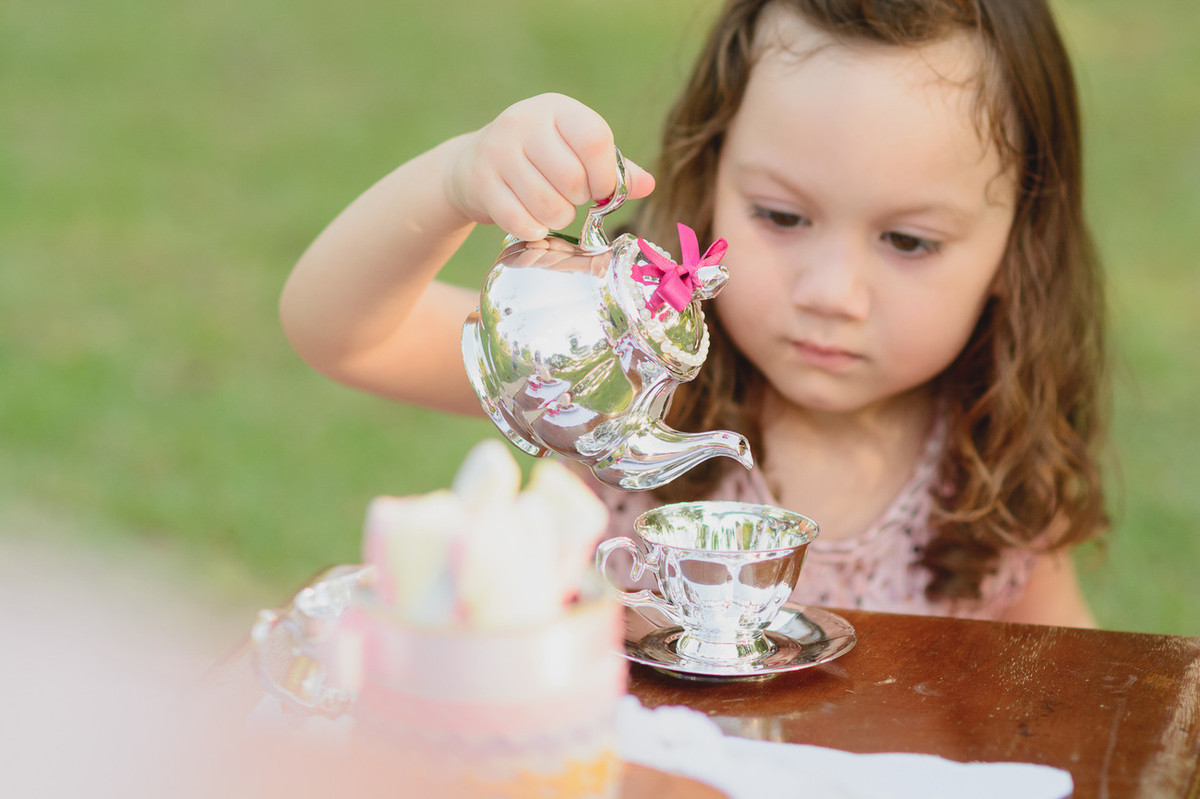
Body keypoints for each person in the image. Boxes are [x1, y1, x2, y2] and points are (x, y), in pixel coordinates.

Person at [280, 0, 1107, 627]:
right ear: (710, 177)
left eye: (908, 241)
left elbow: (1081, 714)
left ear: (1018, 249)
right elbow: (345, 336)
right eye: (782, 216)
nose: (831, 291)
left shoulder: (995, 478)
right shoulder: (618, 373)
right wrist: (453, 180)